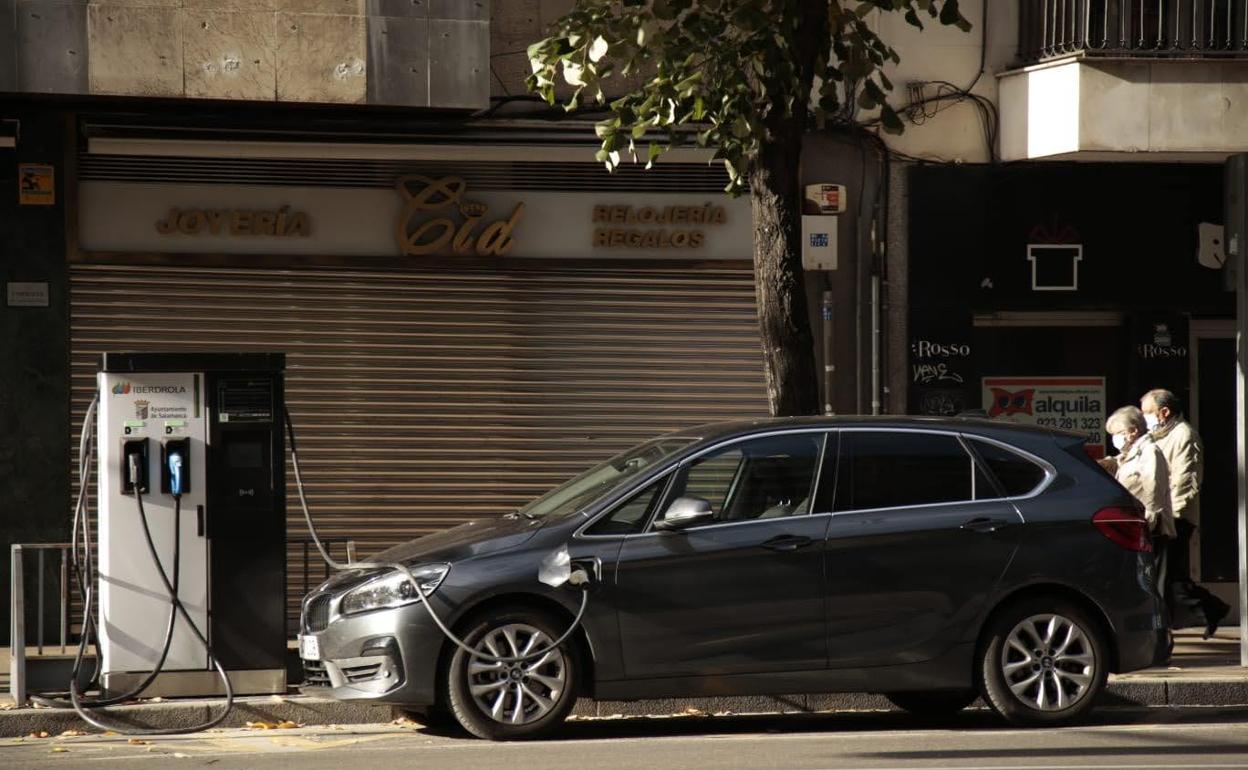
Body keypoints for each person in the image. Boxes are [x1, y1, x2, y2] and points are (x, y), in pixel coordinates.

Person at [1140, 388, 1231, 638]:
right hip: (1164, 516)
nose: (1144, 418)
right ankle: (1212, 609)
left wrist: (1171, 520)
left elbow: (1185, 480)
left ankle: (1161, 632)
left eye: (1147, 412)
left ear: (1164, 411)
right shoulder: (1159, 435)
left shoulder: (1183, 436)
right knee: (1174, 578)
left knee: (1164, 577)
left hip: (1174, 518)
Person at [1103, 407, 1175, 584]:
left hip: (1151, 528)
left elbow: (1154, 488)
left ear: (1133, 431)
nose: (1115, 439)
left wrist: (1148, 522)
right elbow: (1118, 463)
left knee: (1155, 582)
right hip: (1138, 526)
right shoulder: (1130, 454)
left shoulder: (1150, 451)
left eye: (1118, 433)